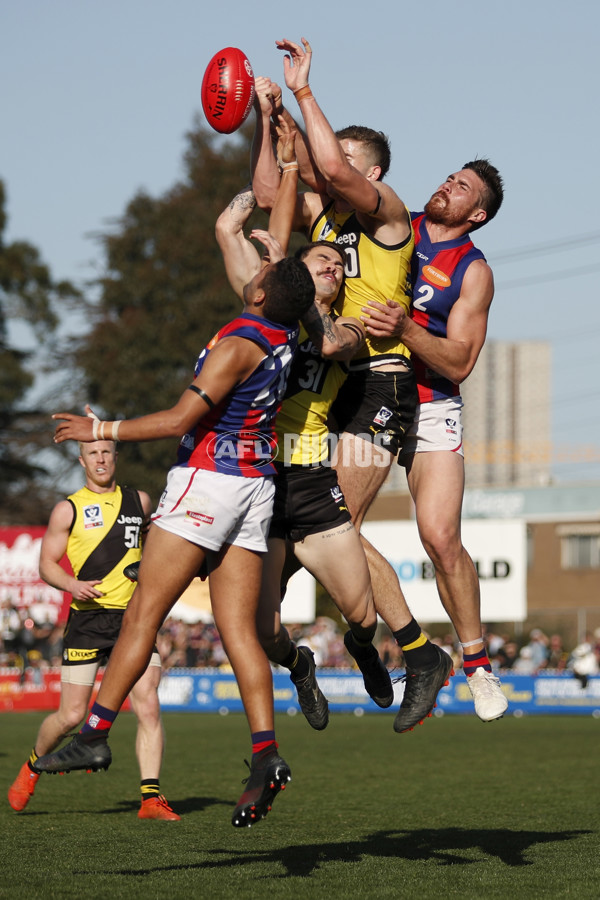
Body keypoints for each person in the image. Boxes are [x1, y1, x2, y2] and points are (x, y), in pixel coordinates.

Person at [33, 224, 316, 828]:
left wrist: (101, 430)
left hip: (208, 482)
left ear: (262, 294)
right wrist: (283, 188)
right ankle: (265, 752)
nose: (251, 273)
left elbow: (181, 417)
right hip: (255, 487)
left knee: (142, 615)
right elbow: (283, 278)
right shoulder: (285, 330)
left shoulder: (241, 339)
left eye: (260, 274)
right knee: (240, 628)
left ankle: (96, 733)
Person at [251, 43, 453, 731]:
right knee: (293, 566)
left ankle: (422, 654)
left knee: (336, 522)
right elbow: (273, 193)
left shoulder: (388, 215)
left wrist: (304, 93)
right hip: (333, 384)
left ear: (367, 170)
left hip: (379, 385)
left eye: (334, 156)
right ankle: (365, 643)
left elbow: (325, 163)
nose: (320, 162)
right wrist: (267, 118)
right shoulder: (330, 225)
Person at [218, 95, 394, 729]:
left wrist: (291, 277)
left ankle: (364, 649)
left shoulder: (346, 329)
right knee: (262, 630)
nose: (327, 263)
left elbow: (329, 341)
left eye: (334, 263)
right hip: (262, 484)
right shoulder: (276, 313)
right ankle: (298, 665)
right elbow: (279, 235)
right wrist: (281, 155)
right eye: (316, 259)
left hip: (316, 482)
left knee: (361, 610)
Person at [360, 159, 509, 721]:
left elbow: (461, 361)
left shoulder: (473, 272)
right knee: (334, 527)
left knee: (440, 537)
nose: (448, 185)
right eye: (450, 177)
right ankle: (405, 647)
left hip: (431, 406)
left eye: (462, 187)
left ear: (477, 214)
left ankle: (477, 666)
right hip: (369, 396)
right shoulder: (396, 223)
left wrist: (405, 329)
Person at [8, 440, 180, 820]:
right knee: (71, 715)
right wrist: (71, 586)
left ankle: (150, 798)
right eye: (93, 454)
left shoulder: (141, 501)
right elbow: (47, 565)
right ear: (81, 460)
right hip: (87, 620)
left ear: (116, 457)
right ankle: (33, 765)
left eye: (107, 452)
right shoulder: (67, 508)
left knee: (148, 703)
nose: (100, 459)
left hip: (134, 619)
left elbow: (156, 549)